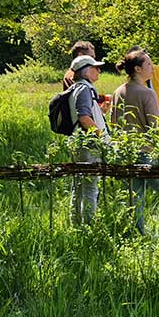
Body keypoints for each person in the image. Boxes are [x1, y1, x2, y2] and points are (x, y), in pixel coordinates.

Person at [111, 49, 159, 234]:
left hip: (126, 152)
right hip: (147, 153)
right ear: (138, 69)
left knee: (136, 197)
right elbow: (155, 127)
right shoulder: (147, 93)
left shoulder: (118, 92)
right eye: (149, 64)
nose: (152, 67)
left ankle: (137, 234)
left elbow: (114, 123)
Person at [68, 54, 108, 225]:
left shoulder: (75, 88)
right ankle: (90, 226)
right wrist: (103, 138)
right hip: (89, 145)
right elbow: (84, 118)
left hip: (79, 143)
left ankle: (76, 223)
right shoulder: (84, 89)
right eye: (95, 67)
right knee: (90, 188)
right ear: (85, 72)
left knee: (78, 186)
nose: (98, 70)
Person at [128, 45, 159, 115]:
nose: (152, 67)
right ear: (137, 68)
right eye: (148, 64)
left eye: (150, 63)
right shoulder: (132, 82)